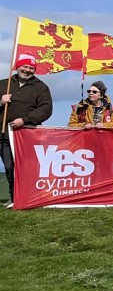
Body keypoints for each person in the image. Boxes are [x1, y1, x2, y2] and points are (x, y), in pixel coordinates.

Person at [1, 53, 53, 207]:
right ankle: (14, 197)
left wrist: (24, 120)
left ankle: (30, 196)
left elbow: (46, 109)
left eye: (31, 68)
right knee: (9, 167)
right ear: (18, 67)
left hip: (28, 134)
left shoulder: (41, 87)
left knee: (27, 167)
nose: (27, 70)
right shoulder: (4, 84)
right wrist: (1, 101)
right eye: (25, 66)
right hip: (4, 134)